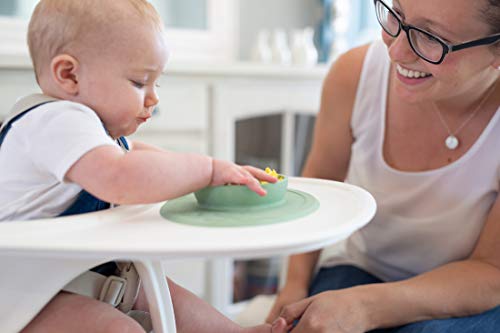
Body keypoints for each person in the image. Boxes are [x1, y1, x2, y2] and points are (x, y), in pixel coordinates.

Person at [0, 0, 288, 332]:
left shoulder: (99, 135)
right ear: (69, 75)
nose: (153, 98)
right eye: (139, 82)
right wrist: (206, 170)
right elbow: (121, 177)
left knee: (162, 295)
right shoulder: (57, 120)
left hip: (72, 276)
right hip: (20, 295)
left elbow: (139, 158)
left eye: (156, 84)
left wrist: (218, 172)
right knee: (119, 329)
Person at [266, 0, 500, 332]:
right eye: (397, 15)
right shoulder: (355, 74)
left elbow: (491, 271)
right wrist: (294, 284)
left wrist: (366, 307)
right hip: (363, 268)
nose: (397, 51)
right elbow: (318, 186)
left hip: (469, 289)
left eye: (431, 37)